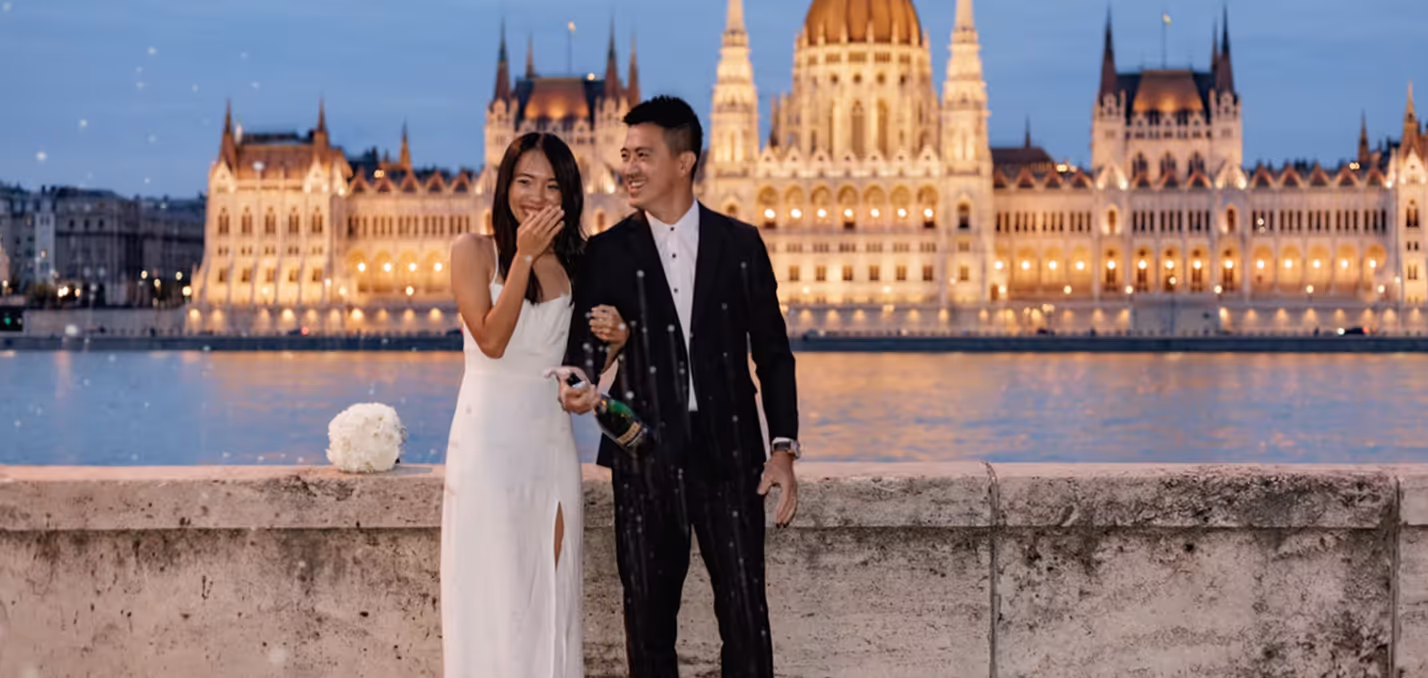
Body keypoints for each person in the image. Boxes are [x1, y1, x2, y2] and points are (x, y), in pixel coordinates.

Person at [558, 95, 802, 678]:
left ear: (685, 160)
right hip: (642, 459)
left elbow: (772, 354)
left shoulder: (740, 244)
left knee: (747, 621)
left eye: (643, 154)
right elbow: (582, 360)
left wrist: (783, 449)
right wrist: (588, 376)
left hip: (732, 458)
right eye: (625, 154)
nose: (629, 167)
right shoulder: (607, 251)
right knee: (646, 626)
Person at [441, 132, 628, 678]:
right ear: (504, 187)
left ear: (569, 196)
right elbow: (492, 341)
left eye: (551, 186)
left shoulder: (578, 263)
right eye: (525, 182)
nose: (536, 197)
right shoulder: (471, 252)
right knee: (492, 594)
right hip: (486, 441)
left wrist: (618, 339)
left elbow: (583, 362)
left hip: (548, 442)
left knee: (551, 594)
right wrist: (521, 256)